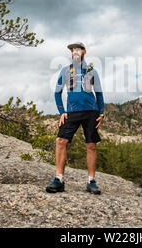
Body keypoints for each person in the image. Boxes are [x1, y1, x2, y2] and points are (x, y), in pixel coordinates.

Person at [46, 42, 105, 195]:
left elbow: (98, 93)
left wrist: (102, 112)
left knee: (91, 145)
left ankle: (91, 181)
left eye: (77, 49)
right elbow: (56, 92)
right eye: (72, 50)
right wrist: (61, 112)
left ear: (84, 51)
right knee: (60, 141)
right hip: (72, 112)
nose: (74, 51)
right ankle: (59, 179)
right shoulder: (65, 71)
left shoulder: (92, 70)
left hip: (91, 112)